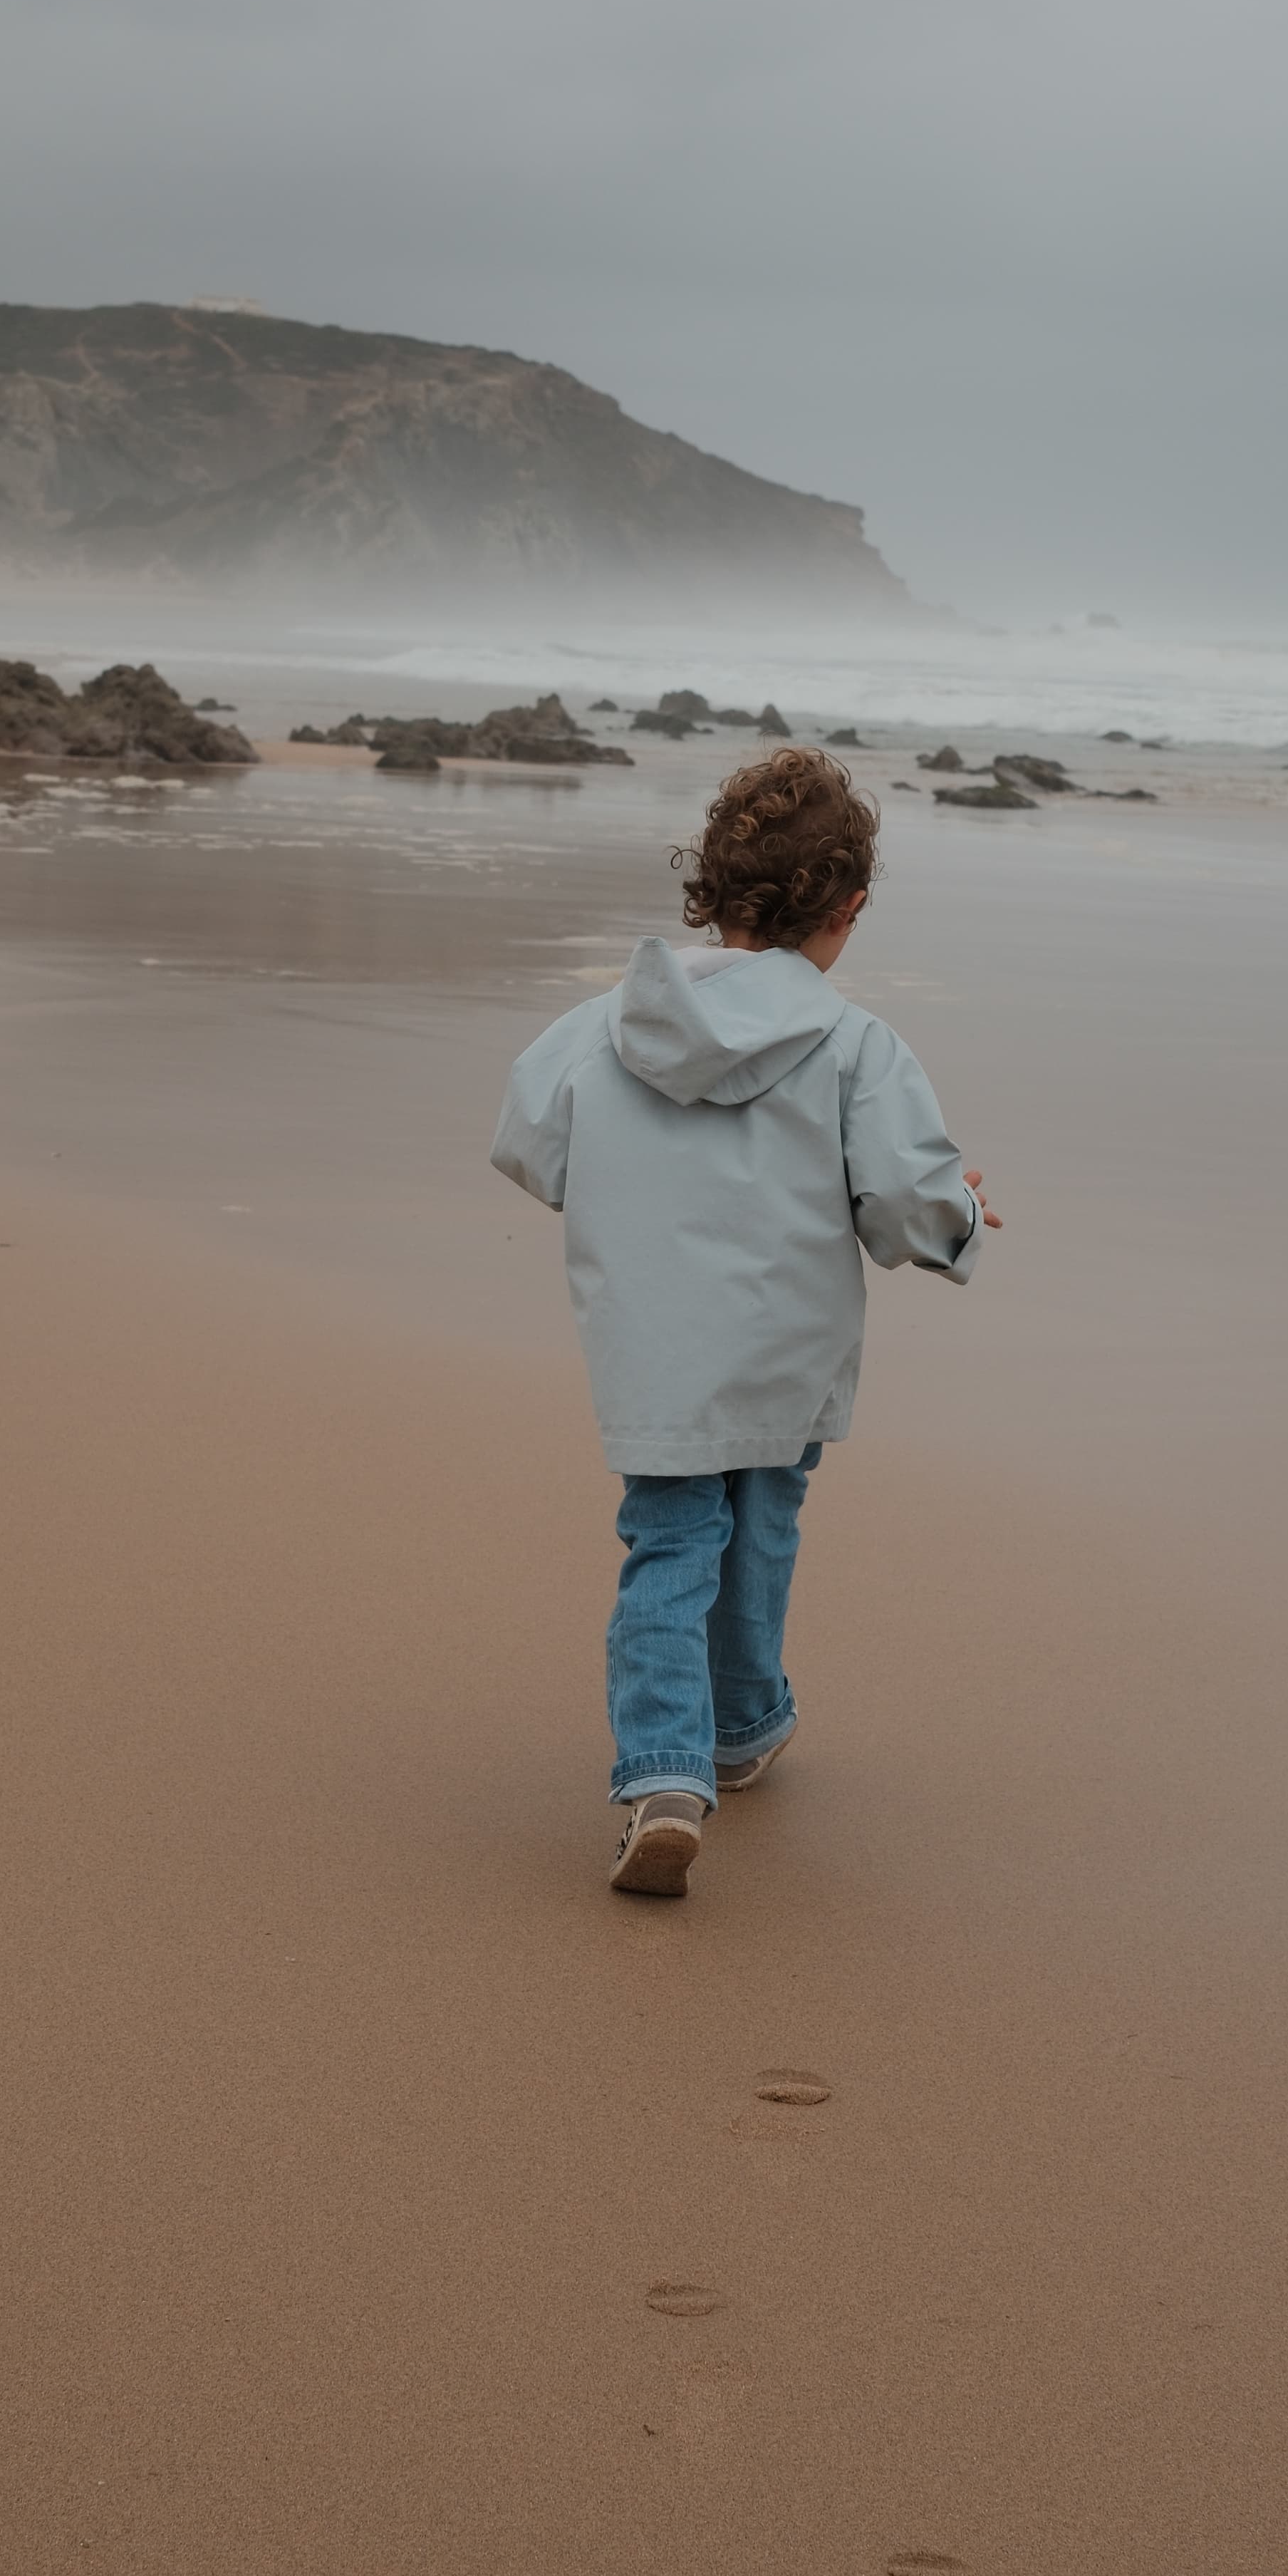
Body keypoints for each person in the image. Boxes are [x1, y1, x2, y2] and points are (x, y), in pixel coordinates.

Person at [491, 743, 998, 1896]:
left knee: (671, 1542)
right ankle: (740, 1726)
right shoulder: (857, 1045)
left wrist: (617, 1188)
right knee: (762, 1525)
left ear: (709, 891)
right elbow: (907, 1202)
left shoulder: (608, 1024)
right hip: (786, 1349)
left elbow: (526, 1138)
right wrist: (963, 1216)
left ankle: (665, 1777)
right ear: (848, 909)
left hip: (655, 1352)